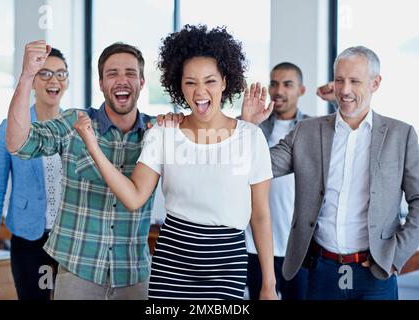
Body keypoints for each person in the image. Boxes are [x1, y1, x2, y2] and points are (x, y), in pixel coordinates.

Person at [74, 24, 278, 300]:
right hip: (172, 263)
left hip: (226, 264)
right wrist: (92, 145)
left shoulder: (251, 138)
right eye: (190, 82)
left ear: (225, 82)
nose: (200, 91)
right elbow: (134, 198)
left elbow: (261, 215)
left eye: (210, 81)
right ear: (179, 85)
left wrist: (268, 285)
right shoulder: (163, 134)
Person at [242, 46, 419, 300]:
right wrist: (249, 128)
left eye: (355, 81)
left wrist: (396, 255)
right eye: (339, 80)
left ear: (375, 83)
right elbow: (259, 167)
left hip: (376, 273)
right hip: (321, 270)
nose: (345, 89)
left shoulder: (401, 135)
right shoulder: (307, 131)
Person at [5, 40, 162, 300]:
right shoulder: (73, 123)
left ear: (142, 82)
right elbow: (17, 142)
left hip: (134, 274)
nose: (122, 80)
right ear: (100, 83)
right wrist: (26, 77)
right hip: (78, 272)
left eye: (130, 73)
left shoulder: (156, 133)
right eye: (112, 74)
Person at [0, 48, 68, 300]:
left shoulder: (76, 126)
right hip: (28, 241)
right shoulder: (10, 127)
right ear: (32, 81)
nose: (54, 80)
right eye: (45, 73)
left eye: (61, 73)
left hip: (70, 239)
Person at [244, 62, 309, 300]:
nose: (279, 90)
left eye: (287, 84)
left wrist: (336, 99)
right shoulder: (252, 127)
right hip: (255, 245)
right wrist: (247, 122)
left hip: (297, 248)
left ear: (301, 90)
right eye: (274, 83)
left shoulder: (312, 128)